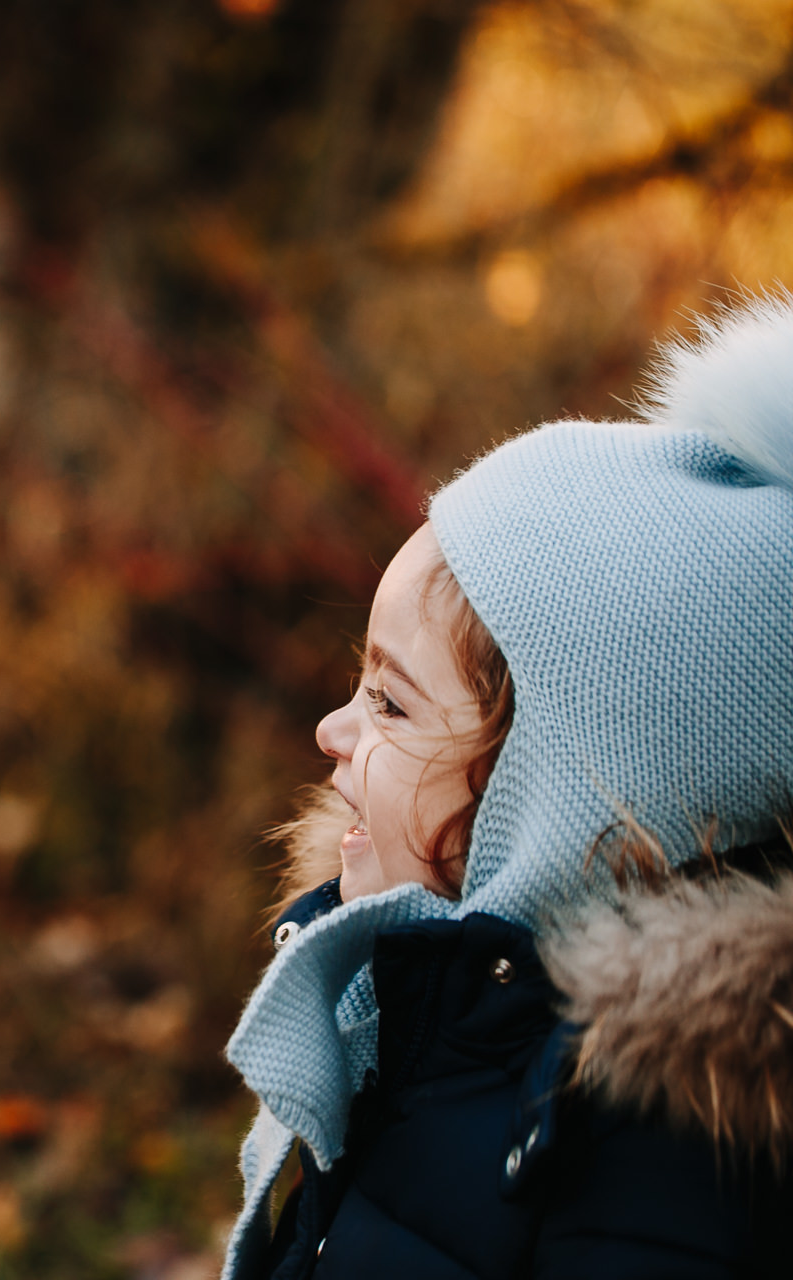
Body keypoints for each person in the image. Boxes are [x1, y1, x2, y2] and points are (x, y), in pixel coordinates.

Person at [221, 294, 793, 1279]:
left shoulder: (671, 1164)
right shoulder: (425, 1007)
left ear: (574, 793)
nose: (332, 730)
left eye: (392, 704)